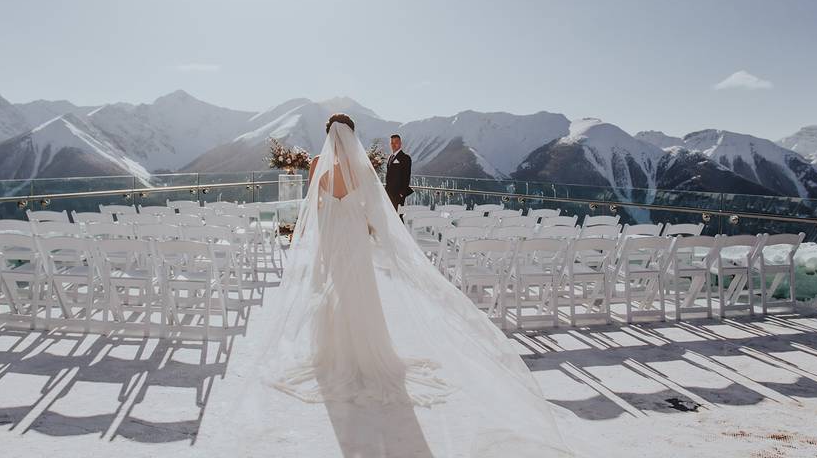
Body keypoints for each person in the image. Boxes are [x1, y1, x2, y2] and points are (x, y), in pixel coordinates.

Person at [207, 113, 575, 457]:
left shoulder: (318, 166)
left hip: (332, 237)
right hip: (352, 235)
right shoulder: (361, 170)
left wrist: (324, 233)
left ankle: (332, 355)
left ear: (327, 138)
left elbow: (314, 209)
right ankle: (366, 354)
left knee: (332, 291)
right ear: (351, 136)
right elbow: (373, 210)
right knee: (359, 291)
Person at [384, 133, 413, 214]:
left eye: (396, 142)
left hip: (398, 194)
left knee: (398, 216)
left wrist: (402, 193)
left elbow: (407, 176)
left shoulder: (405, 158)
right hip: (388, 193)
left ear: (400, 143)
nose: (393, 145)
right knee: (390, 215)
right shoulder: (390, 157)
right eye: (392, 143)